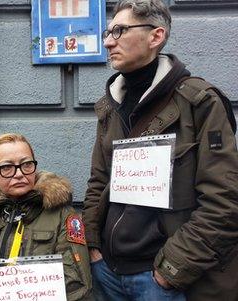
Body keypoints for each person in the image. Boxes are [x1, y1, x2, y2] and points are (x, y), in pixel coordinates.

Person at [83, 0, 238, 300]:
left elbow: (225, 201)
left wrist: (170, 270)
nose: (107, 41)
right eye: (108, 31)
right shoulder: (110, 107)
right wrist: (93, 247)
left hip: (162, 278)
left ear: (156, 36)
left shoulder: (199, 102)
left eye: (119, 30)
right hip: (109, 272)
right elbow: (97, 182)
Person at [0, 133, 93, 301]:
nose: (19, 174)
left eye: (26, 164)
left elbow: (76, 285)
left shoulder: (63, 215)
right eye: (7, 167)